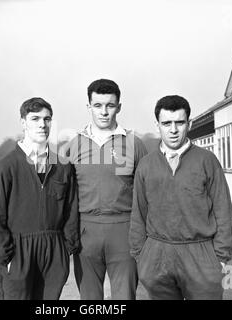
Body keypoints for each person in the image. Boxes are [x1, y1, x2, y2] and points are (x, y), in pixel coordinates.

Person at [129, 95, 232, 300]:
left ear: (190, 123)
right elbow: (138, 213)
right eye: (166, 123)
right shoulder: (146, 165)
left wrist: (220, 257)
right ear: (157, 125)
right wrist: (141, 256)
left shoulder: (207, 160)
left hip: (201, 253)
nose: (173, 130)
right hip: (158, 255)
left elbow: (223, 210)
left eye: (180, 122)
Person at [0, 97, 79, 300]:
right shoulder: (4, 168)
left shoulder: (63, 166)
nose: (42, 124)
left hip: (54, 252)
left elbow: (71, 208)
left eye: (47, 119)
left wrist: (66, 247)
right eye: (35, 119)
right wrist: (6, 257)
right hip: (19, 252)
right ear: (23, 122)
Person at [65, 79, 147, 299]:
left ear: (119, 107)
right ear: (89, 106)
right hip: (86, 232)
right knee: (90, 299)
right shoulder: (74, 145)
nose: (103, 112)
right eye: (97, 105)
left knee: (124, 297)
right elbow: (64, 195)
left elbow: (148, 192)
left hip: (124, 230)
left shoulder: (134, 144)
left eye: (110, 105)